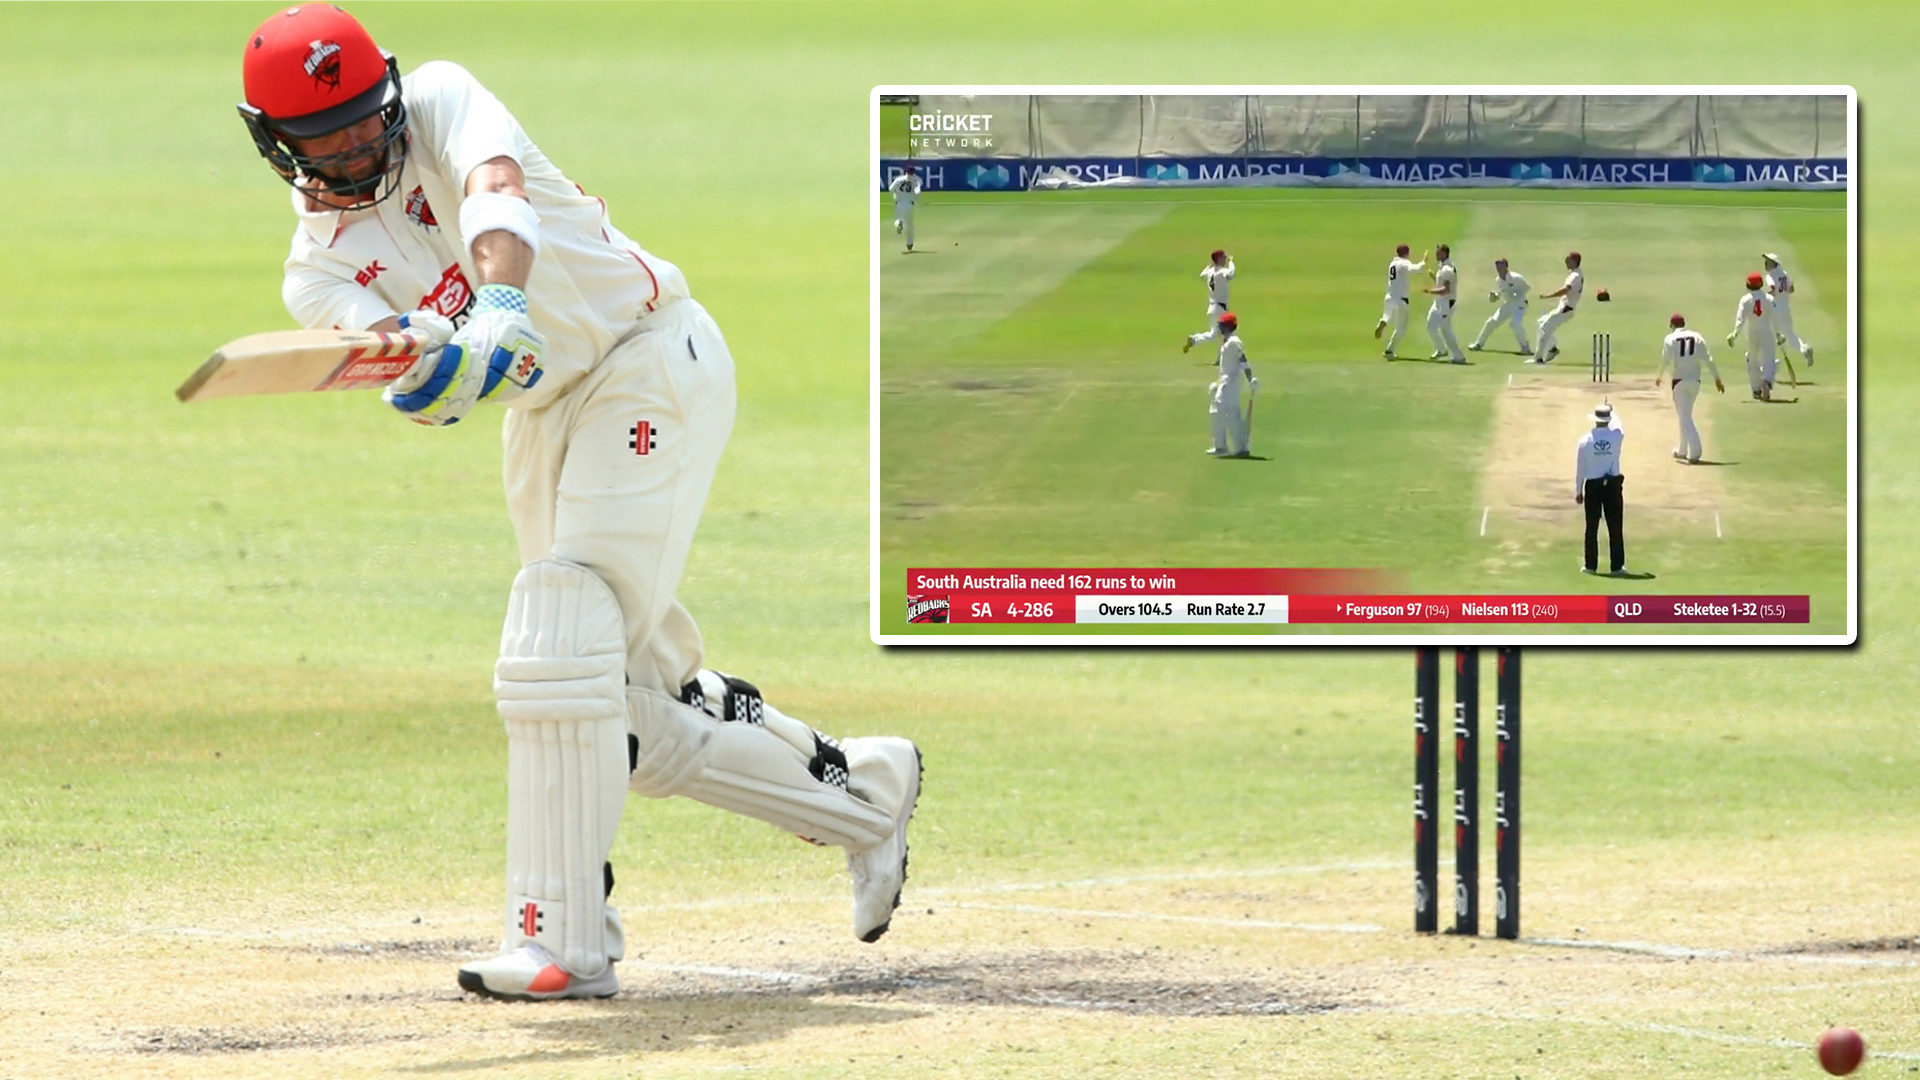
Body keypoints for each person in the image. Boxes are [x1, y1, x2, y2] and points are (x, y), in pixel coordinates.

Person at [235, 4, 922, 1002]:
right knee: (615, 706)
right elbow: (421, 382)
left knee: (558, 640)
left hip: (647, 356)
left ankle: (563, 940)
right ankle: (864, 794)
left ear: (387, 90)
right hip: (548, 419)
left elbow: (495, 192)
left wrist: (501, 303)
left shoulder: (436, 98)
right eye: (323, 134)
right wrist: (437, 377)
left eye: (360, 115)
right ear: (276, 145)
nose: (353, 142)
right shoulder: (317, 272)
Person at [1652, 313, 1724, 464]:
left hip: (1679, 380)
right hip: (1695, 381)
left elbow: (1666, 359)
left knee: (1685, 417)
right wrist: (1717, 379)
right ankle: (1682, 449)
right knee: (1685, 415)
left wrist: (1659, 376)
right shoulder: (1697, 336)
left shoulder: (1670, 338)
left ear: (1672, 326)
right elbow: (1708, 359)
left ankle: (1695, 451)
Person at [1573, 402, 1626, 575]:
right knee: (1615, 526)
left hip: (1593, 486)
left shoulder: (1585, 441)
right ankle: (1617, 567)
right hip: (1612, 486)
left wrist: (1578, 490)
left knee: (1591, 527)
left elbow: (1580, 467)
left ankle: (1590, 566)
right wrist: (1612, 409)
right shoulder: (1616, 436)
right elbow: (1619, 426)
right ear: (1609, 419)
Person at [1205, 311, 1258, 457]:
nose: (1219, 329)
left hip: (1231, 382)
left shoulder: (1234, 342)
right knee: (1216, 411)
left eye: (1221, 326)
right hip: (1223, 381)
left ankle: (1241, 447)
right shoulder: (1227, 341)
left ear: (1227, 327)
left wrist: (1250, 379)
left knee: (1230, 414)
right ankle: (1220, 445)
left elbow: (1243, 361)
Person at [1728, 271, 1778, 400]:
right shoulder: (1769, 298)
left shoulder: (1745, 300)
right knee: (1768, 359)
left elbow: (1740, 319)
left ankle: (1756, 389)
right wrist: (1778, 335)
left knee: (1752, 360)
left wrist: (1734, 334)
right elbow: (1774, 319)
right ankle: (1767, 381)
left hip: (1752, 333)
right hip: (1767, 331)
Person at [1467, 258, 1532, 355]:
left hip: (1520, 303)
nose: (1498, 269)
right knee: (1491, 322)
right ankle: (1478, 344)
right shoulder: (1498, 280)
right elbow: (1499, 295)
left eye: (1501, 266)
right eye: (1497, 266)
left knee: (1515, 324)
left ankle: (1525, 348)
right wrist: (1494, 297)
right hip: (1508, 304)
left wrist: (1518, 294)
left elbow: (1527, 287)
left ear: (1506, 266)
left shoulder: (1516, 277)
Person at [1531, 251, 1585, 364]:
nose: (1566, 262)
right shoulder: (1575, 273)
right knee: (1541, 322)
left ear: (1574, 261)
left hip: (1566, 309)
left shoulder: (1575, 276)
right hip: (1564, 308)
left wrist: (1549, 296)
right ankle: (1552, 349)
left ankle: (1538, 358)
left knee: (1544, 327)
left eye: (1568, 260)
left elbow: (1566, 289)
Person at [1375, 244, 1426, 359]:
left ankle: (1383, 321)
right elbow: (1416, 269)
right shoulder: (1404, 263)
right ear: (1406, 253)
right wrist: (1423, 261)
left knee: (1387, 315)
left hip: (1389, 296)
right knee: (1402, 327)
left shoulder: (1392, 263)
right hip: (1401, 299)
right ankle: (1390, 350)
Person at [1762, 252, 1813, 366]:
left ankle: (1770, 363)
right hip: (1785, 308)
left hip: (1774, 309)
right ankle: (1804, 349)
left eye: (1768, 262)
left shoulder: (1770, 276)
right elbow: (1791, 289)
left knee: (1769, 335)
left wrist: (1763, 298)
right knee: (1789, 334)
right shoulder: (1784, 273)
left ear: (1773, 264)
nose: (1765, 263)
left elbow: (1771, 289)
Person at [1182, 249, 1235, 353]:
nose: (1225, 259)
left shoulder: (1210, 272)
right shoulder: (1222, 272)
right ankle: (1224, 357)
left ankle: (1194, 340)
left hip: (1213, 307)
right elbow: (1231, 274)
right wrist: (1231, 262)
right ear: (1219, 259)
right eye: (1224, 257)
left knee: (1215, 335)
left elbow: (1202, 275)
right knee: (1228, 331)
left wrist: (1209, 266)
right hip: (1220, 308)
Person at [1422, 243, 1465, 363]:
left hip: (1446, 303)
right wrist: (1434, 277)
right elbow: (1442, 283)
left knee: (1446, 330)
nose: (1436, 254)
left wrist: (1429, 291)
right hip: (1439, 302)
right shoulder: (1442, 266)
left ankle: (1458, 356)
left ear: (1445, 253)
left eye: (1438, 252)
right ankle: (1441, 349)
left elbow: (1445, 290)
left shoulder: (1447, 269)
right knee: (1431, 326)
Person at [888, 165, 922, 252]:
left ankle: (899, 223)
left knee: (898, 219)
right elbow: (917, 193)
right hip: (909, 204)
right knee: (910, 225)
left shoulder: (898, 179)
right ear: (913, 172)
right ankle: (909, 243)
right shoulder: (916, 181)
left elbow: (890, 189)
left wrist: (897, 193)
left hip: (899, 203)